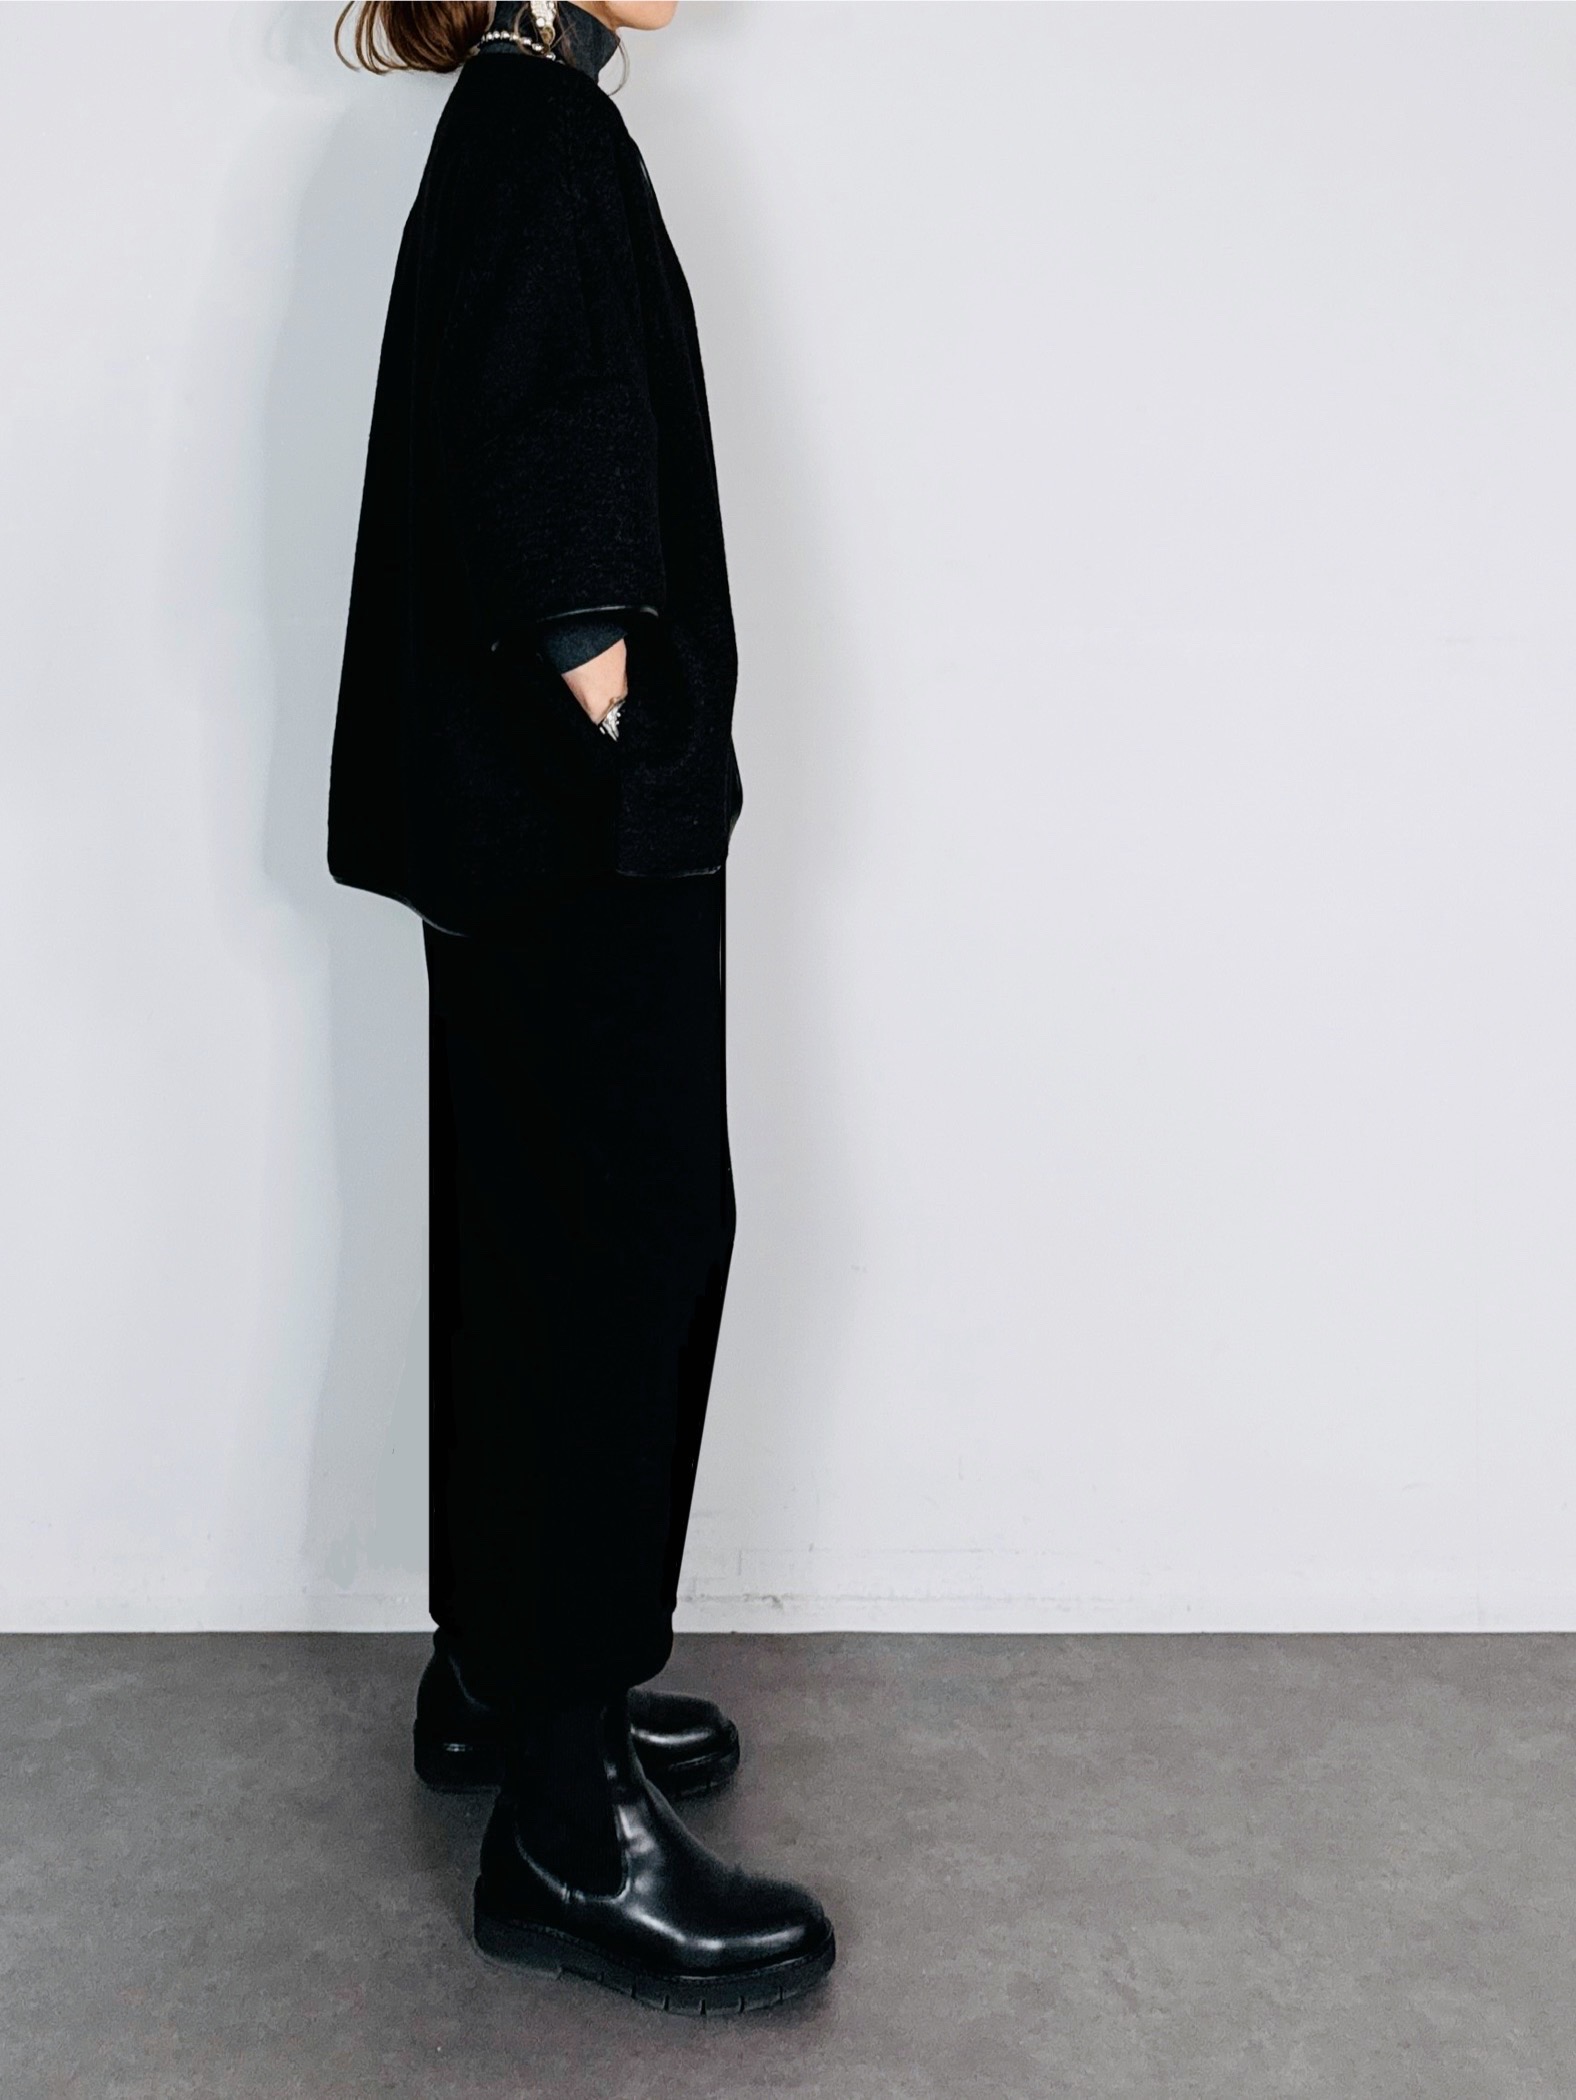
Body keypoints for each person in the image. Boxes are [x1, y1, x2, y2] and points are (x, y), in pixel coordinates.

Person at [327, 0, 835, 2015]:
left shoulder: (511, 121)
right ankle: (565, 1823)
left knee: (530, 1243)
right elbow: (547, 481)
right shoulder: (540, 139)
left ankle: (505, 1676)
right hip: (571, 832)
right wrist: (623, 722)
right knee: (620, 1255)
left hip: (509, 831)